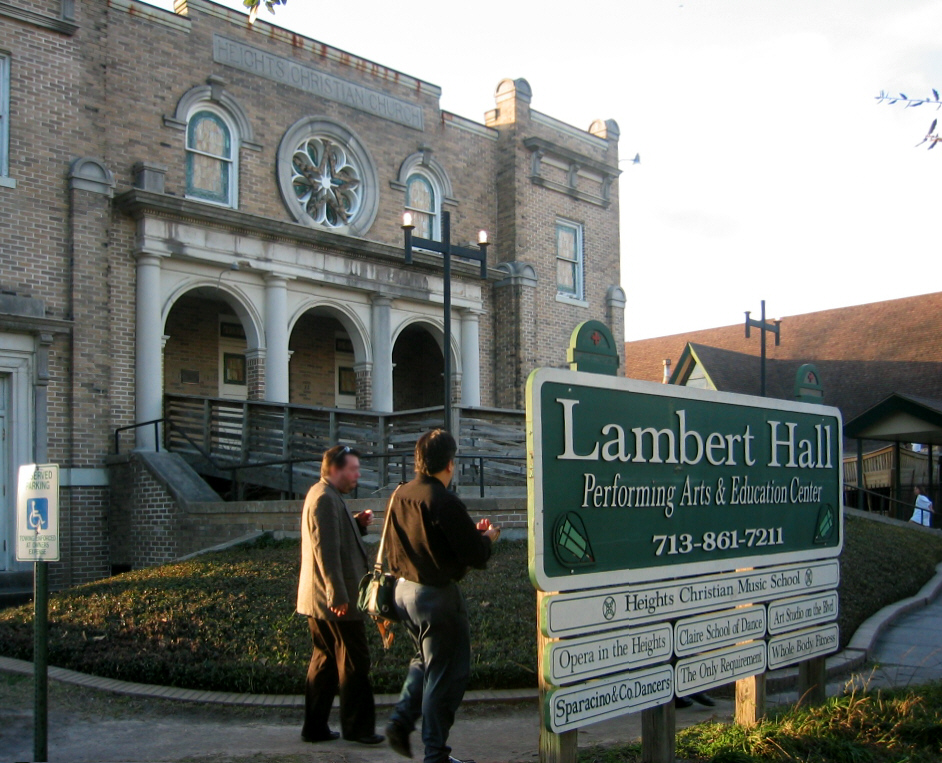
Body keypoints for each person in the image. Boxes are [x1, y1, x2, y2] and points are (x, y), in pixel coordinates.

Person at [384, 429, 501, 763]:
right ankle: (435, 754)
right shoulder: (443, 501)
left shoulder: (401, 494)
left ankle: (401, 720)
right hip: (435, 598)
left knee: (424, 663)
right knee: (446, 676)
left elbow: (404, 547)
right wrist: (488, 537)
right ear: (450, 464)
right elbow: (474, 556)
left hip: (403, 593)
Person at [296, 444, 384, 746]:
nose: (357, 475)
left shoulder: (327, 495)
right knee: (355, 662)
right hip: (335, 599)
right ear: (334, 470)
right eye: (352, 469)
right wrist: (337, 596)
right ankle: (358, 728)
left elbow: (334, 538)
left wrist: (356, 525)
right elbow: (326, 553)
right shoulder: (323, 499)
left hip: (320, 599)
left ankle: (315, 727)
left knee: (325, 661)